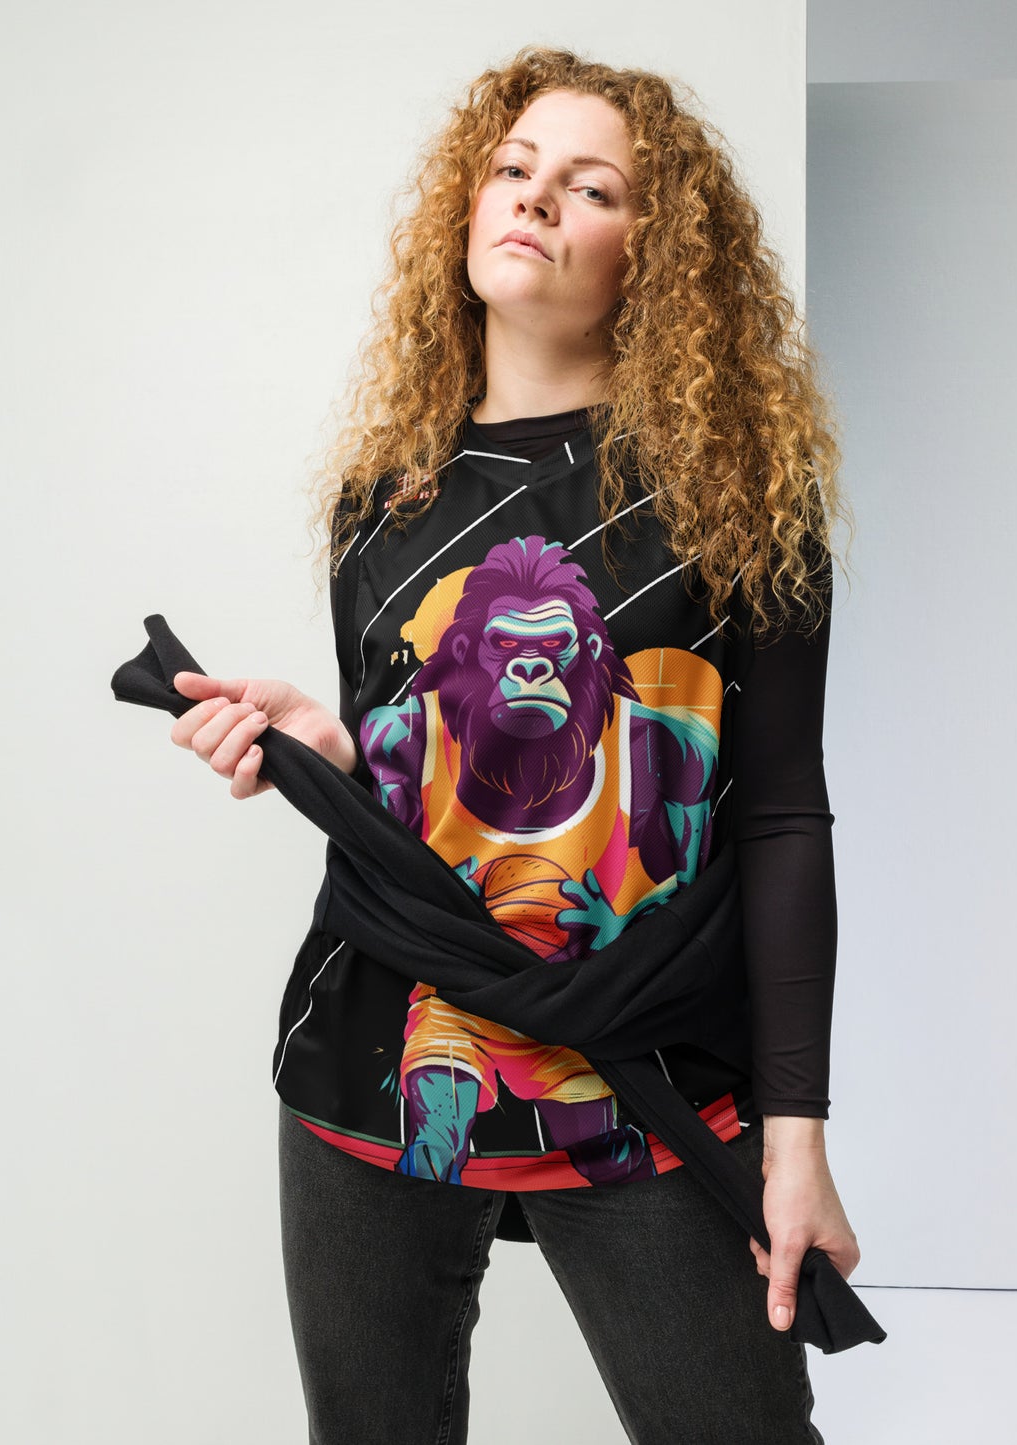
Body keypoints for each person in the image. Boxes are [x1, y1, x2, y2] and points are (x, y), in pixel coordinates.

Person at [167, 46, 859, 1445]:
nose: (537, 198)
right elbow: (430, 795)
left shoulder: (736, 497)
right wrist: (332, 752)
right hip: (374, 1061)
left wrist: (797, 1141)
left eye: (590, 187)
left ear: (654, 255)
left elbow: (782, 816)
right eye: (514, 168)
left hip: (648, 1066)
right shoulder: (381, 498)